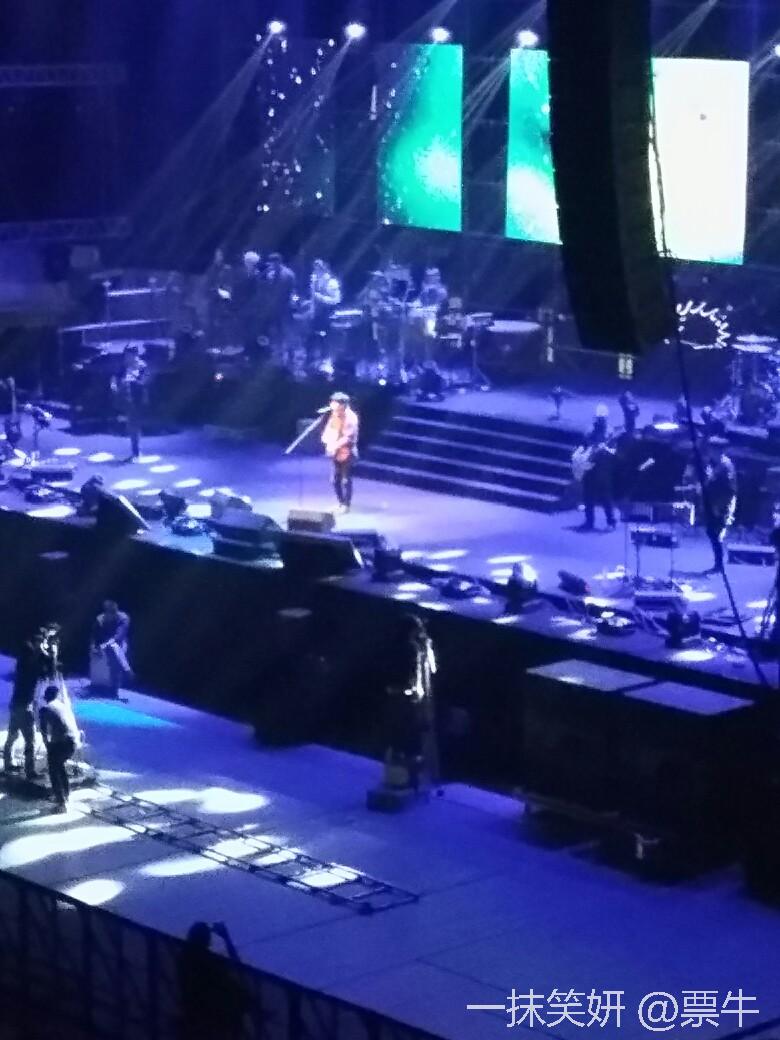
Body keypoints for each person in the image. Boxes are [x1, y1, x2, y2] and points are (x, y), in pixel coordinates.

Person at [383, 614, 439, 791]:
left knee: (403, 733)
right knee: (409, 733)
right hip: (408, 697)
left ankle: (402, 773)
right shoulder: (410, 649)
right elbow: (421, 672)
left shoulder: (404, 647)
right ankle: (406, 774)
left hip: (401, 695)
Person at [177, 921, 249, 1040]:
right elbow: (237, 969)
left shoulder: (186, 956)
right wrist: (226, 938)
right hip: (210, 1019)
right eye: (207, 935)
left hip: (199, 1018)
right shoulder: (207, 961)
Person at [3, 638, 42, 779]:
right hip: (24, 706)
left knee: (12, 735)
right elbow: (42, 669)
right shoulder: (30, 669)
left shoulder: (21, 666)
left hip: (15, 704)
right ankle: (30, 770)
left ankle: (8, 763)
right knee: (30, 740)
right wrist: (44, 651)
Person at [39, 684, 80, 810]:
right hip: (73, 741)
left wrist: (48, 745)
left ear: (46, 697)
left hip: (62, 742)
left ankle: (60, 802)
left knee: (53, 768)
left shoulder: (45, 709)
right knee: (59, 765)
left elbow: (43, 731)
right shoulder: (63, 706)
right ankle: (66, 794)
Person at [702, 438, 737, 574]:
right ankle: (718, 564)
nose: (710, 452)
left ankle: (719, 565)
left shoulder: (725, 466)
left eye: (713, 449)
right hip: (712, 504)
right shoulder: (714, 464)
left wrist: (720, 506)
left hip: (720, 506)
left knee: (716, 534)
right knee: (712, 533)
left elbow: (729, 489)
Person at [321, 391, 359, 514]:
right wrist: (326, 441)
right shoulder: (335, 415)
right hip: (336, 452)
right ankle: (340, 502)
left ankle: (346, 505)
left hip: (347, 452)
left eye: (335, 403)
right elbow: (329, 429)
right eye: (332, 402)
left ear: (343, 404)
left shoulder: (351, 418)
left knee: (346, 479)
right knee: (335, 479)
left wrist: (334, 445)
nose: (332, 405)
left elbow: (348, 437)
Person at [111, 345, 148, 461]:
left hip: (137, 399)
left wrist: (131, 380)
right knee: (131, 425)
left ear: (134, 355)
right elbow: (115, 377)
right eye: (125, 355)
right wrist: (114, 384)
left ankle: (136, 452)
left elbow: (143, 381)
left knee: (134, 425)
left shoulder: (142, 366)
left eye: (128, 355)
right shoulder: (124, 366)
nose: (126, 358)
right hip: (127, 399)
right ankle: (135, 451)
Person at [260, 252, 296, 361]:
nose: (272, 265)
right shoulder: (270, 274)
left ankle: (290, 352)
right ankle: (277, 351)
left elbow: (292, 290)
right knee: (275, 330)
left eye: (274, 262)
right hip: (273, 307)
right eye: (271, 263)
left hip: (285, 307)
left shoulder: (288, 274)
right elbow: (267, 289)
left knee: (287, 330)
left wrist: (291, 303)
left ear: (279, 262)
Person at [91, 600, 131, 698]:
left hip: (119, 643)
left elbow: (119, 636)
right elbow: (95, 635)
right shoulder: (100, 619)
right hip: (104, 640)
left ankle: (115, 688)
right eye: (109, 613)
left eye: (113, 613)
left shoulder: (123, 618)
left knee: (115, 656)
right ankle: (103, 684)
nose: (111, 616)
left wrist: (106, 645)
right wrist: (96, 646)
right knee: (107, 654)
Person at [306, 258, 342, 367]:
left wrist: (321, 298)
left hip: (327, 315)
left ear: (323, 269)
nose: (315, 271)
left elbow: (336, 299)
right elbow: (313, 298)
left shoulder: (331, 282)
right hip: (315, 315)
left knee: (324, 339)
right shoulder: (314, 281)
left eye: (318, 268)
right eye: (314, 268)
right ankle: (311, 360)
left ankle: (324, 361)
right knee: (312, 337)